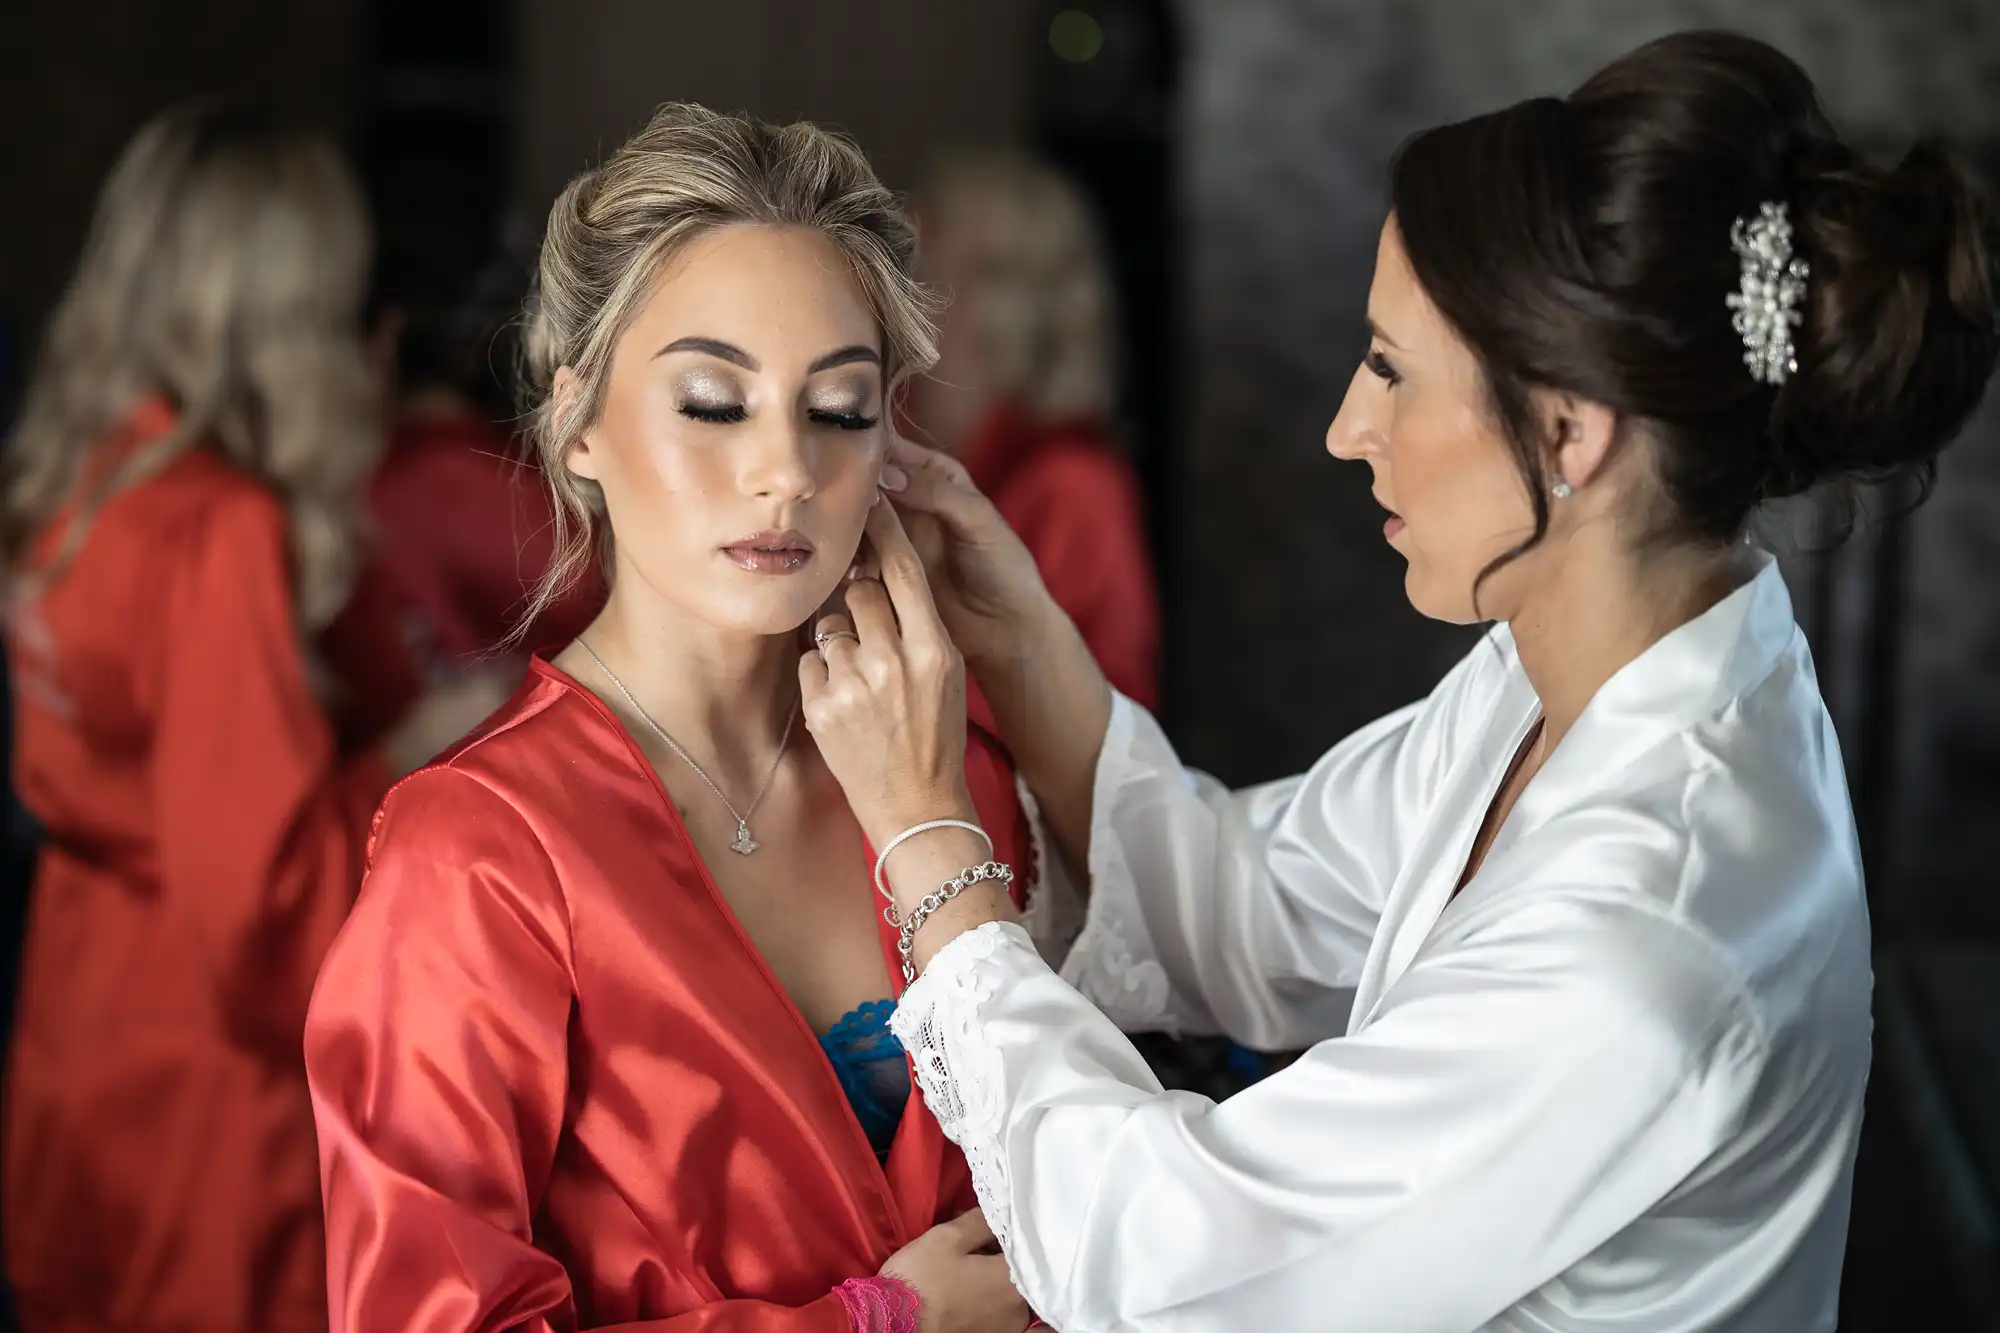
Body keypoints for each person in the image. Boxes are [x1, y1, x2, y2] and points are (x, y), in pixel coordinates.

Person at [800, 31, 2000, 1332]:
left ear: (1566, 431)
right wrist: (1021, 634)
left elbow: (1158, 1254)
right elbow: (1248, 897)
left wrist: (928, 844)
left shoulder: (1644, 945)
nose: (1345, 430)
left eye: (1389, 368)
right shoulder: (1564, 679)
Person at [304, 104, 1049, 1333]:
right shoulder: (479, 850)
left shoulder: (946, 783)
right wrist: (868, 1323)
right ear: (579, 423)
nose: (784, 471)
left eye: (841, 409)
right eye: (712, 402)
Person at [0, 104, 507, 1333]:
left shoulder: (88, 469)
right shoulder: (217, 525)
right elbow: (270, 911)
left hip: (82, 1008)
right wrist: (415, 743)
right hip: (202, 1090)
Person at [907, 152, 1160, 711]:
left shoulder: (1075, 485)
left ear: (997, 297)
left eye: (921, 262)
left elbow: (1113, 724)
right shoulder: (888, 433)